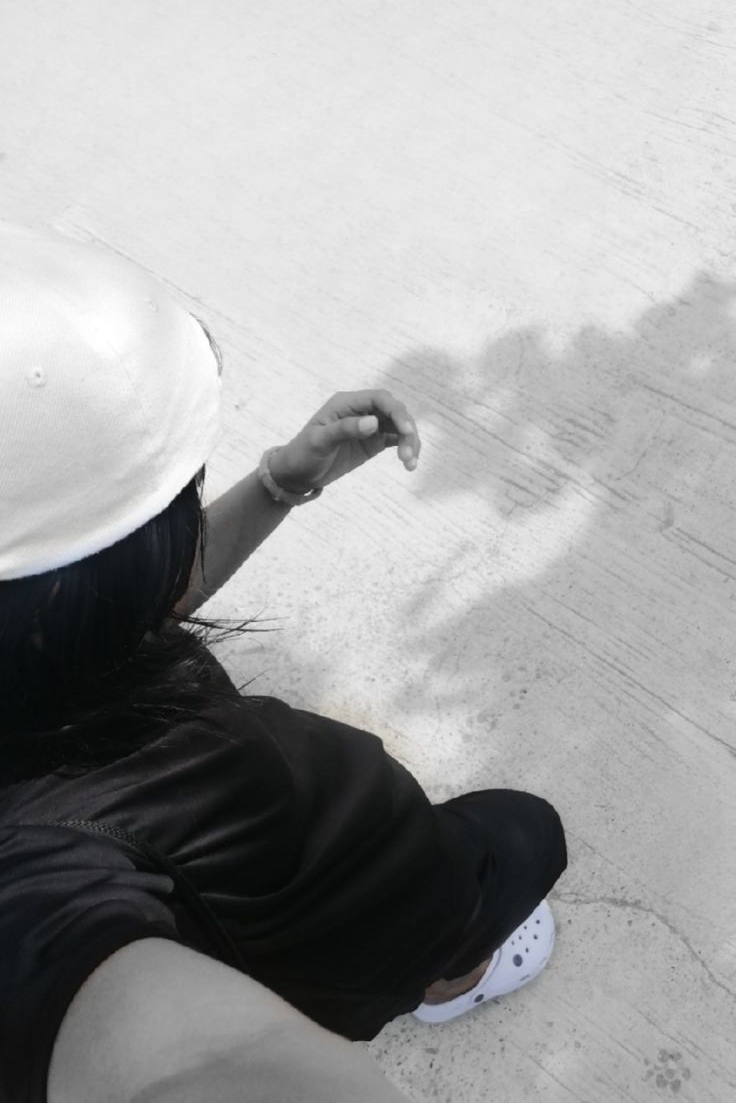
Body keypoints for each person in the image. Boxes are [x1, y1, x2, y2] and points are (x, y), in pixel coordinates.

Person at [0, 225, 567, 1103]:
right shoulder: (41, 879)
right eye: (169, 510)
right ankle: (451, 975)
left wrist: (279, 483)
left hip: (325, 842)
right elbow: (178, 1059)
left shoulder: (40, 645)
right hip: (354, 909)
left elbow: (134, 606)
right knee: (529, 835)